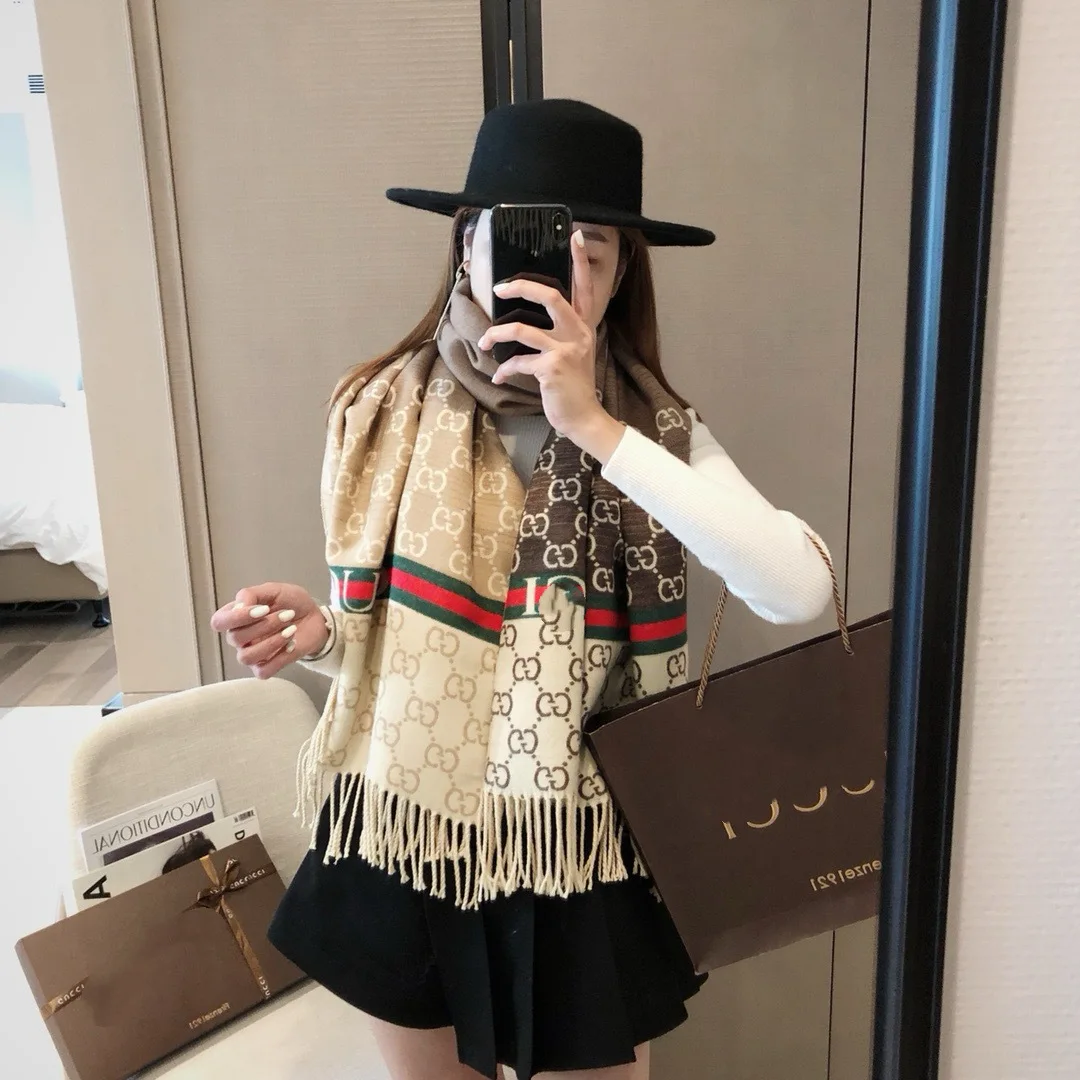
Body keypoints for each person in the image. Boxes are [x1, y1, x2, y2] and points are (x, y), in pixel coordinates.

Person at [211, 99, 833, 1080]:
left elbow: (798, 591)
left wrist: (594, 427)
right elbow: (396, 653)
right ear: (466, 248)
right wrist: (323, 632)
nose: (562, 270)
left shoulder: (655, 435)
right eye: (530, 241)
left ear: (622, 276)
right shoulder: (376, 410)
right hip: (406, 834)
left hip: (580, 850)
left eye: (592, 250)